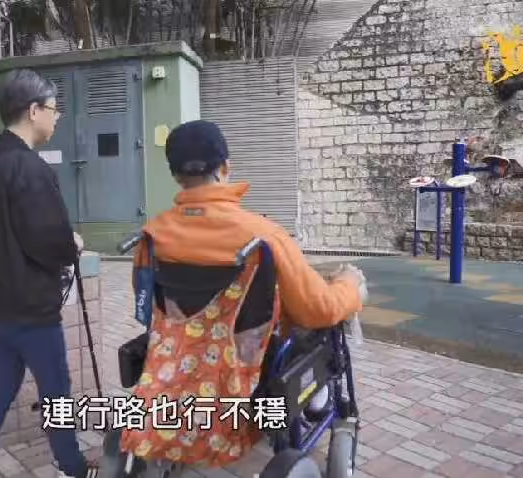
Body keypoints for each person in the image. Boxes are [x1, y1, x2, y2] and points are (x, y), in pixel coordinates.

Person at [119, 120, 365, 468]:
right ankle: (317, 399)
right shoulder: (262, 235)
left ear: (175, 175)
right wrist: (350, 285)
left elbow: (150, 311)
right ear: (225, 167)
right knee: (315, 323)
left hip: (178, 362)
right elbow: (319, 310)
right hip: (252, 370)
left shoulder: (151, 236)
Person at [0, 68, 96, 478]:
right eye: (54, 109)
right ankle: (72, 466)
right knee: (56, 391)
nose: (57, 117)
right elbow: (48, 240)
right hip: (27, 309)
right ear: (33, 111)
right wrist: (72, 244)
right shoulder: (29, 168)